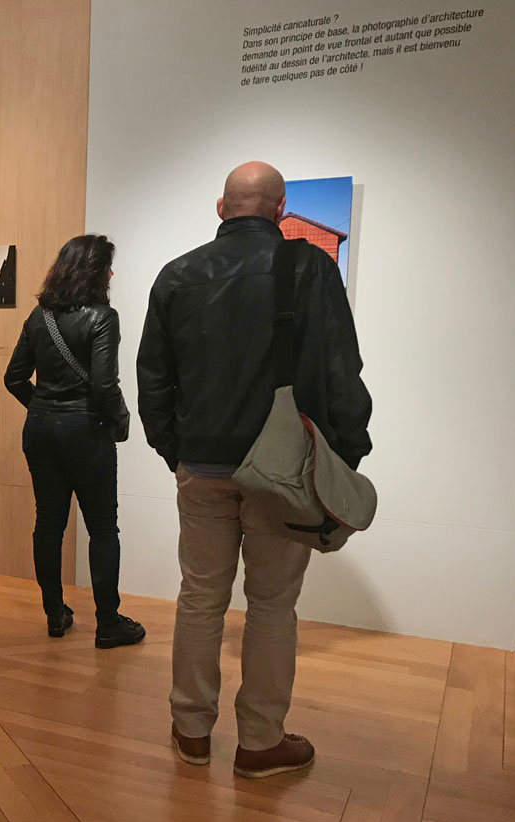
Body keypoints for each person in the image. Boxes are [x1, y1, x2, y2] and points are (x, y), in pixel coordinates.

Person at [137, 161, 372, 778]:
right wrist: (345, 453)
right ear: (279, 209)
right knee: (271, 606)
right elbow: (341, 370)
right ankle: (260, 743)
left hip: (201, 464)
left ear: (221, 209)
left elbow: (152, 380)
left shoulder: (177, 275)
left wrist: (175, 452)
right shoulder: (311, 268)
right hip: (283, 469)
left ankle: (190, 731)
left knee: (200, 598)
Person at [4, 234, 145, 648]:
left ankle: (54, 613)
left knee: (48, 521)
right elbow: (104, 384)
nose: (112, 274)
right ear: (95, 271)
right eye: (107, 266)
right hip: (86, 432)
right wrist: (120, 421)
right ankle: (108, 622)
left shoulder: (39, 315)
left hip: (41, 430)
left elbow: (13, 378)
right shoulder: (103, 316)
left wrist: (43, 407)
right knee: (102, 527)